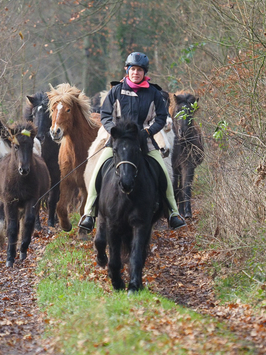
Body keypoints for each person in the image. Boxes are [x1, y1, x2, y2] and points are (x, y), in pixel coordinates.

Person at [78, 52, 187, 233]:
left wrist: (148, 132)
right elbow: (105, 115)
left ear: (145, 72)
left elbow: (161, 117)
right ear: (127, 70)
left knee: (164, 172)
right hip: (118, 141)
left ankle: (173, 213)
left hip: (144, 141)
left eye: (139, 70)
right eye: (133, 69)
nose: (136, 73)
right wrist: (115, 131)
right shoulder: (116, 91)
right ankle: (89, 213)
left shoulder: (153, 93)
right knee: (98, 170)